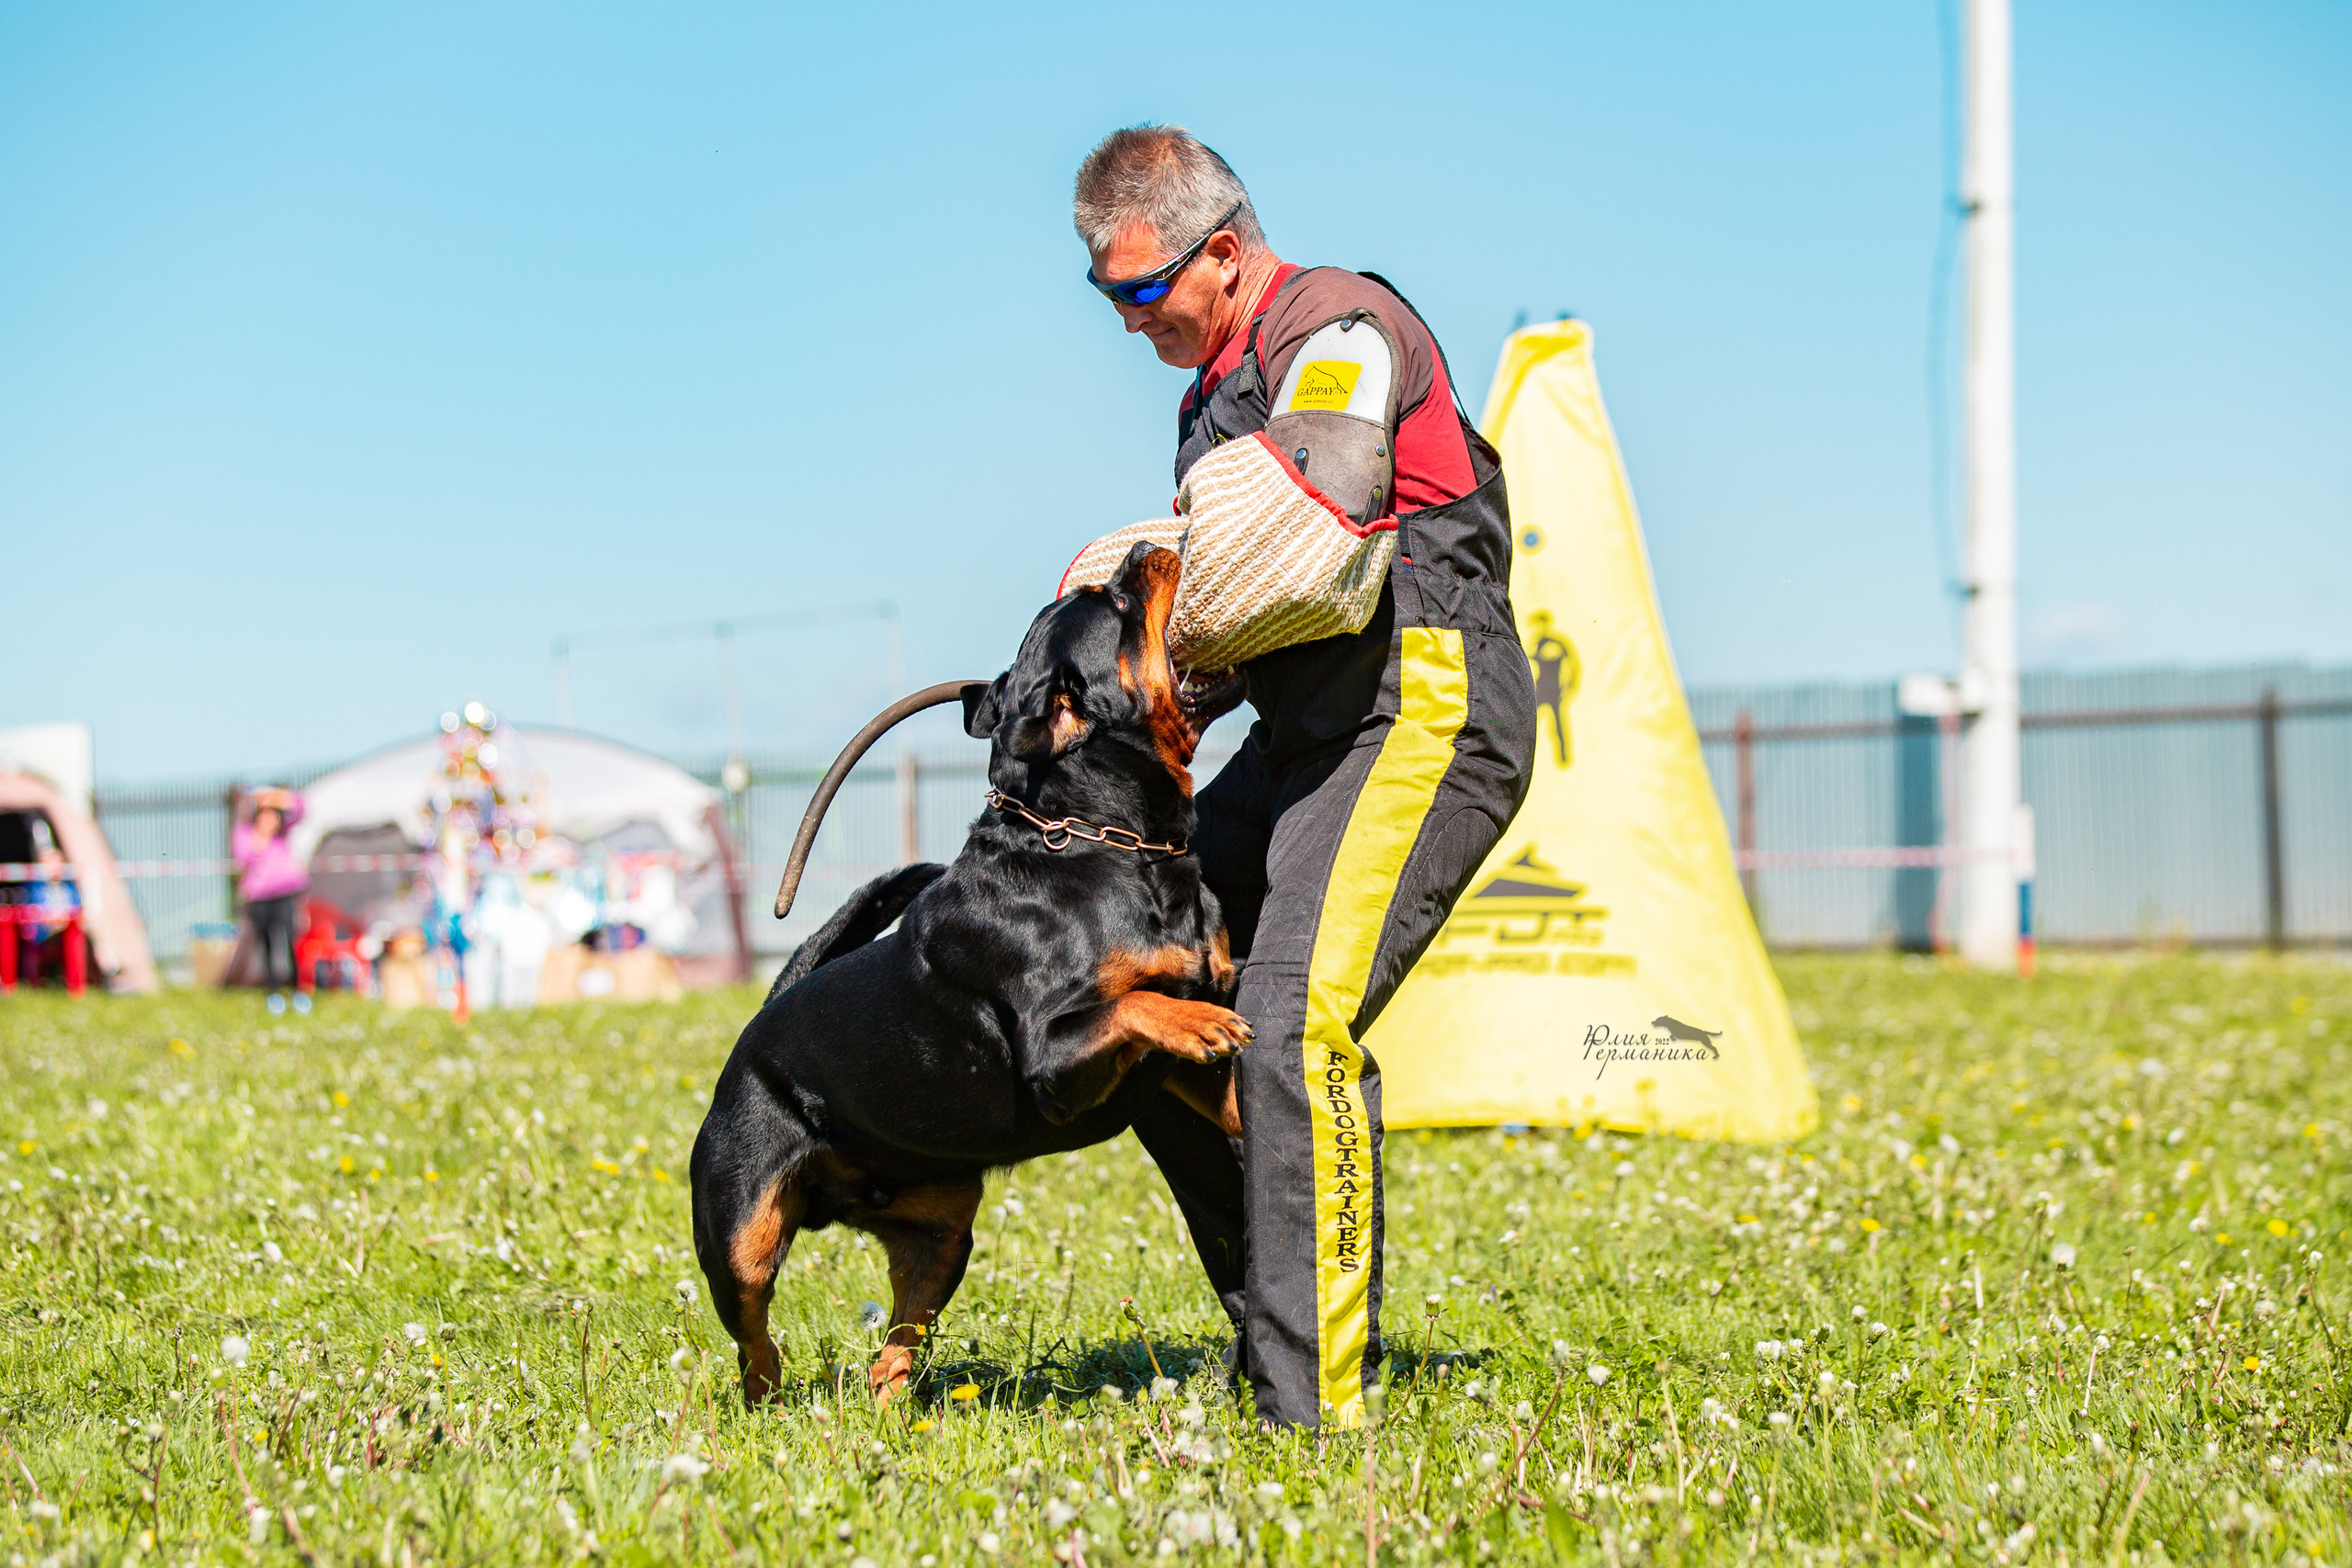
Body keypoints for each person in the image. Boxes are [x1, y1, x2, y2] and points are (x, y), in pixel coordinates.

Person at [1067, 126, 1537, 1430]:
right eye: (1104, 295)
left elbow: (1321, 495)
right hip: (1302, 734)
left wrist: (1157, 574)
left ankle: (1310, 1409)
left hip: (1421, 704)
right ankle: (1273, 1316)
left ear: (1223, 250)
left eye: (1143, 289)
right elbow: (1229, 635)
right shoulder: (1202, 404)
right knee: (1149, 1002)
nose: (1127, 319)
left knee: (1287, 1015)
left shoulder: (1338, 322)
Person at [233, 786, 310, 1011]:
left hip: (285, 894)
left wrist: (276, 795)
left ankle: (298, 992)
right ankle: (274, 993)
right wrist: (260, 838)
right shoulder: (246, 833)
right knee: (267, 945)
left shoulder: (283, 836)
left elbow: (302, 806)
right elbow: (241, 856)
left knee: (291, 942)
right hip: (259, 897)